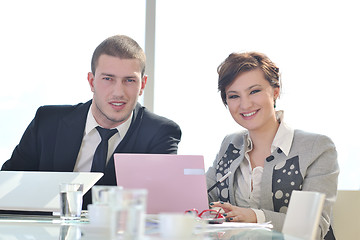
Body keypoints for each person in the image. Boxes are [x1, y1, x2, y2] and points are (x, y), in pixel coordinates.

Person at [2, 35, 182, 208]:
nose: (118, 92)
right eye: (108, 79)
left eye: (129, 80)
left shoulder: (160, 133)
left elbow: (160, 208)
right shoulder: (47, 122)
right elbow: (6, 189)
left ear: (142, 85)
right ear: (91, 81)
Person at [206, 52, 339, 239]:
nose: (245, 104)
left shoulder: (317, 147)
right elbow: (204, 197)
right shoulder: (230, 144)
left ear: (275, 91)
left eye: (254, 91)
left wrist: (254, 216)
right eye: (234, 96)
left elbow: (314, 229)